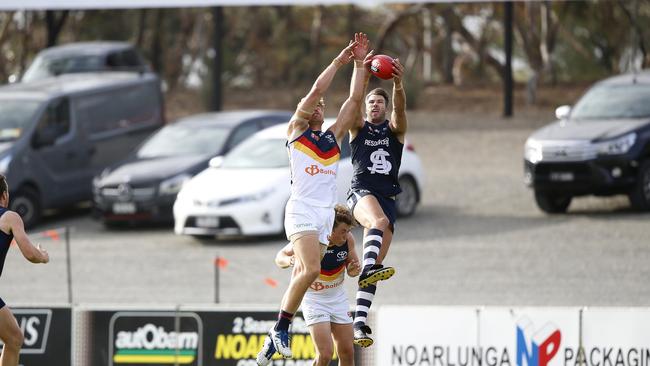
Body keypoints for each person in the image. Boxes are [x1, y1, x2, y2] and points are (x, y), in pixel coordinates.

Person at [260, 33, 371, 360]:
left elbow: (353, 101)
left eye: (323, 107)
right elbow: (317, 90)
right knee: (309, 270)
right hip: (302, 210)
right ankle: (280, 327)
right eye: (316, 106)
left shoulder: (333, 140)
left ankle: (273, 339)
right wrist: (340, 61)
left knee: (306, 271)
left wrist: (362, 64)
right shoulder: (296, 130)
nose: (320, 105)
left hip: (324, 215)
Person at [346, 54, 407, 347]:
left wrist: (396, 84)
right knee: (378, 222)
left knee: (377, 262)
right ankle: (369, 267)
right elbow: (354, 102)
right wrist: (365, 78)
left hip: (388, 196)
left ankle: (359, 324)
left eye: (379, 102)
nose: (375, 104)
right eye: (371, 101)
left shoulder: (395, 131)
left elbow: (401, 111)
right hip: (361, 191)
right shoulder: (358, 128)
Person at [258, 204, 361, 366]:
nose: (347, 234)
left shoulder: (348, 240)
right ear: (330, 229)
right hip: (314, 300)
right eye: (343, 230)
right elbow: (280, 256)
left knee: (347, 351)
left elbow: (352, 269)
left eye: (348, 230)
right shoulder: (313, 239)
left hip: (338, 298)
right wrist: (290, 260)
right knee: (325, 354)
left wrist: (354, 270)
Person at [0, 174, 49, 366]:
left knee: (14, 338)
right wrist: (43, 256)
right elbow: (30, 254)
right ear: (4, 196)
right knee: (14, 340)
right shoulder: (9, 217)